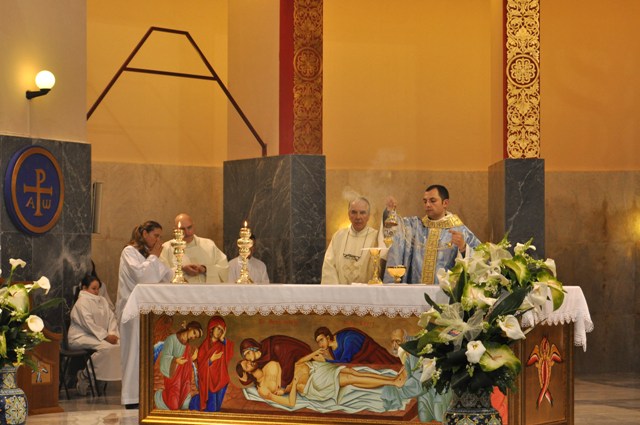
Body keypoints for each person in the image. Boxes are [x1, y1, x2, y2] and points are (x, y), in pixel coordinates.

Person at [237, 348, 406, 408]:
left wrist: (312, 355)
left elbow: (294, 364)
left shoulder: (268, 364)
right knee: (349, 378)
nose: (249, 361)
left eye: (247, 360)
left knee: (353, 372)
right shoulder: (263, 390)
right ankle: (393, 382)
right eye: (246, 365)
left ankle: (392, 380)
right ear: (246, 374)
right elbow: (290, 403)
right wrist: (294, 384)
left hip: (313, 368)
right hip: (312, 384)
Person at [383, 185, 481, 284]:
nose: (428, 205)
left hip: (444, 291)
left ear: (445, 203)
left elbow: (482, 261)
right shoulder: (416, 227)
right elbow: (397, 226)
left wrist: (463, 248)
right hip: (416, 290)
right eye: (425, 201)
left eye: (432, 201)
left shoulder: (460, 231)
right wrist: (390, 213)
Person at [68, 275, 121, 396]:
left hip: (97, 336)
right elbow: (88, 323)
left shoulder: (102, 300)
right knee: (106, 348)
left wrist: (112, 334)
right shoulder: (81, 302)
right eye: (93, 288)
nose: (97, 291)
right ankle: (85, 375)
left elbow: (111, 318)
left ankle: (100, 377)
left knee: (119, 346)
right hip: (80, 336)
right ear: (84, 288)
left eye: (98, 289)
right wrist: (106, 337)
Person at [116, 220, 172, 323]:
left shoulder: (151, 253)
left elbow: (164, 276)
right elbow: (142, 277)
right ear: (145, 234)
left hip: (149, 306)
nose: (158, 240)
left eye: (160, 237)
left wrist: (180, 270)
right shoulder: (129, 251)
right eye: (156, 236)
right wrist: (154, 256)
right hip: (132, 306)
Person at [321, 197, 382, 284]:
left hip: (367, 291)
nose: (358, 217)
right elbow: (329, 267)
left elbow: (380, 268)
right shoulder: (338, 236)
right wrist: (336, 290)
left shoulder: (376, 238)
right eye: (354, 212)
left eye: (362, 212)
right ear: (348, 214)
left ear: (368, 216)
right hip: (340, 291)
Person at [160, 213, 229, 283]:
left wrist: (205, 269)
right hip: (180, 289)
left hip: (206, 289)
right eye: (182, 229)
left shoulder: (209, 245)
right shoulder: (166, 248)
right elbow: (161, 274)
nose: (187, 232)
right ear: (175, 230)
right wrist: (182, 270)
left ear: (194, 226)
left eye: (189, 227)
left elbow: (224, 268)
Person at [154, 321, 203, 410]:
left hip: (183, 380)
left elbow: (185, 362)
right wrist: (175, 360)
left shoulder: (187, 345)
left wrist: (192, 359)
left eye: (195, 337)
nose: (193, 337)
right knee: (174, 406)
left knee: (184, 405)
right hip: (173, 378)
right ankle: (160, 397)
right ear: (190, 328)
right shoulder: (171, 339)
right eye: (194, 333)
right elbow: (165, 357)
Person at [192, 316, 234, 412]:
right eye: (218, 328)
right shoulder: (203, 347)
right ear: (212, 328)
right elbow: (200, 366)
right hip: (209, 382)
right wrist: (210, 360)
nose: (219, 332)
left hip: (221, 381)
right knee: (212, 409)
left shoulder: (223, 345)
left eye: (222, 330)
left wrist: (223, 339)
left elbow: (230, 353)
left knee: (216, 410)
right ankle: (194, 402)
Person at [238, 335, 312, 388]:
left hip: (304, 358)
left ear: (253, 348)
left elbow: (287, 365)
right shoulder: (258, 360)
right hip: (294, 368)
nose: (248, 359)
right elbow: (253, 373)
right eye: (245, 356)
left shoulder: (275, 346)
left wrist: (282, 385)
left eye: (248, 353)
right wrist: (245, 380)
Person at [314, 327, 400, 365]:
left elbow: (345, 362)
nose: (320, 344)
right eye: (318, 342)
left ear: (328, 337)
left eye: (321, 340)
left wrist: (325, 361)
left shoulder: (349, 339)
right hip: (362, 365)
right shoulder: (331, 349)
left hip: (376, 357)